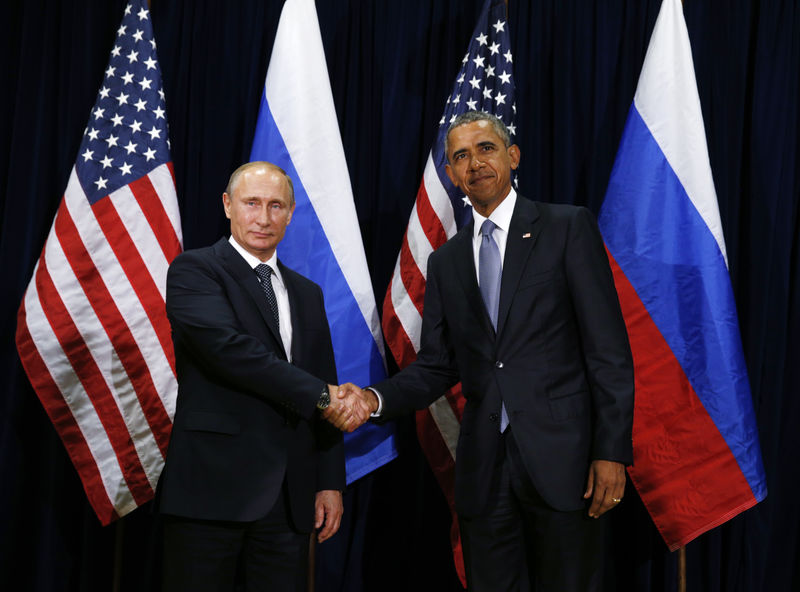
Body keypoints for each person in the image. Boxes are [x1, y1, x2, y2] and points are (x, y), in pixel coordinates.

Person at [336, 112, 634, 591]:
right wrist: (373, 400)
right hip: (484, 472)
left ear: (512, 156)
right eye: (460, 156)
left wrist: (612, 452)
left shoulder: (566, 227)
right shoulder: (446, 261)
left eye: (485, 149)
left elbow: (608, 352)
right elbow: (436, 364)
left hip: (567, 463)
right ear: (451, 176)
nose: (474, 163)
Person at [157, 161, 357, 592]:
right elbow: (231, 353)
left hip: (289, 499)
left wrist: (329, 482)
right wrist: (325, 396)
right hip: (211, 492)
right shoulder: (195, 271)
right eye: (251, 203)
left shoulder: (308, 293)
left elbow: (325, 375)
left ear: (290, 213)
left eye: (275, 206)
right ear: (228, 206)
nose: (263, 218)